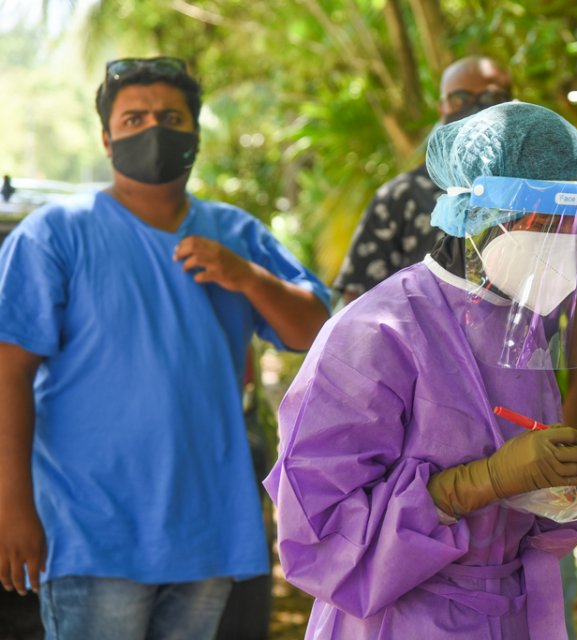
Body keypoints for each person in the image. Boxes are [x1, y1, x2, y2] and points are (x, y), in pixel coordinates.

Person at [0, 56, 331, 639]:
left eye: (170, 117)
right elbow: (9, 373)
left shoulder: (235, 233)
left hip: (207, 531)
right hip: (90, 531)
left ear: (195, 135)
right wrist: (12, 506)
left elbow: (314, 330)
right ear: (106, 139)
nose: (153, 130)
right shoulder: (54, 235)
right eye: (133, 119)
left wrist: (248, 277)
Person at [265, 101, 577, 639]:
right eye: (554, 225)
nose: (569, 247)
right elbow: (318, 538)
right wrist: (478, 483)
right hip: (399, 620)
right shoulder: (376, 332)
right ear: (490, 215)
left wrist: (564, 486)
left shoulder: (518, 325)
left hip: (508, 613)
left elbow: (521, 518)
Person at [332, 55, 512, 306]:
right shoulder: (401, 196)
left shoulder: (537, 193)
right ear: (442, 108)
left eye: (491, 98)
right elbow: (358, 301)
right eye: (460, 98)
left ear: (513, 105)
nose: (475, 108)